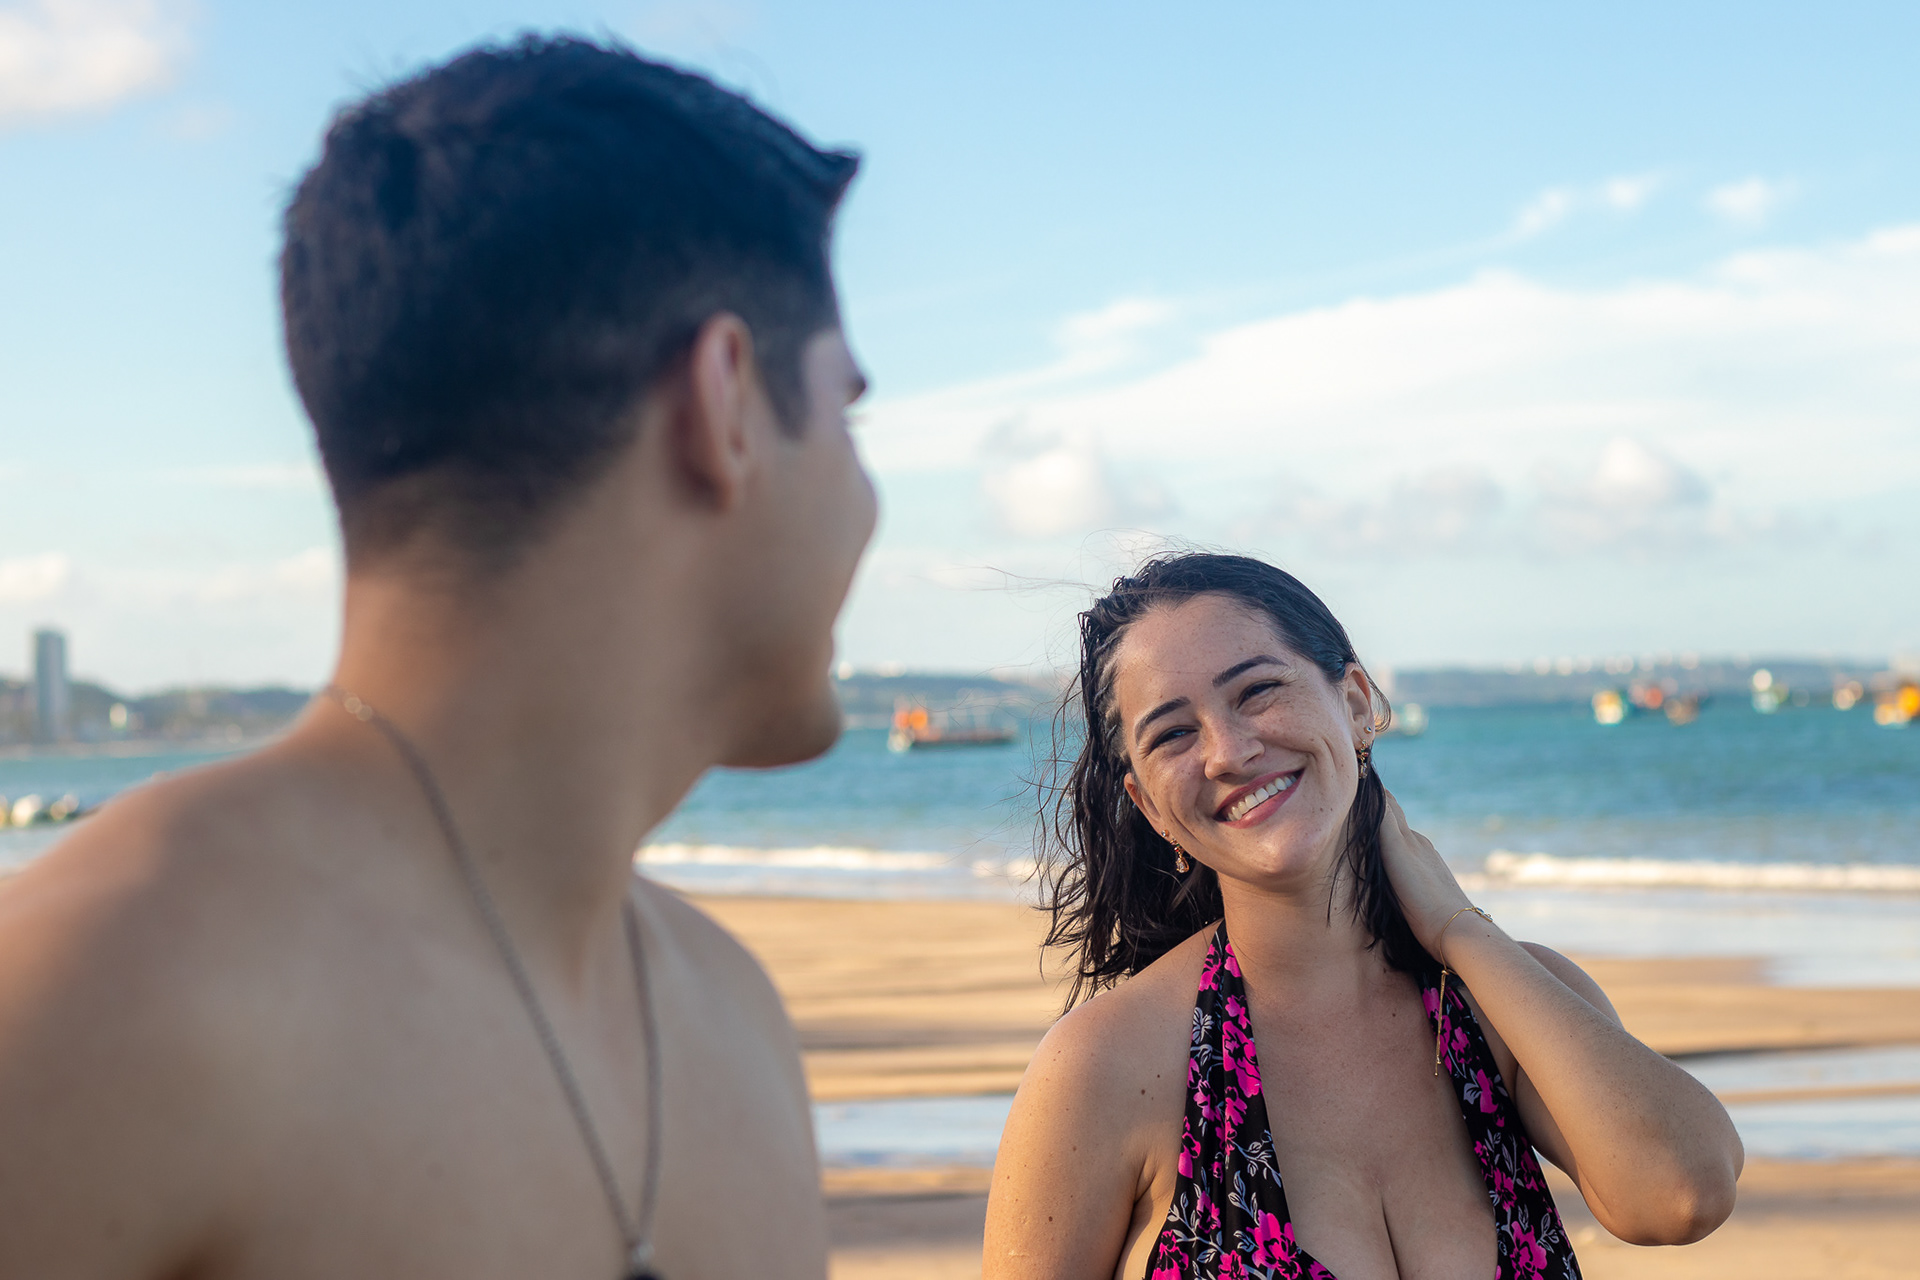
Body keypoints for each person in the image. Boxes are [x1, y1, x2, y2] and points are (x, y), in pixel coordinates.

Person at [0, 36, 873, 1280]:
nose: (869, 499)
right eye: (850, 412)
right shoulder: (107, 999)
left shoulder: (732, 1020)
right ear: (725, 400)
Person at [984, 553, 1742, 1280]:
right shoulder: (1109, 1066)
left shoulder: (1500, 1005)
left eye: (1256, 691)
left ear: (1355, 704)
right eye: (1174, 733)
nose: (1229, 752)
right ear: (1150, 807)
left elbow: (1683, 1194)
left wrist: (1458, 927)